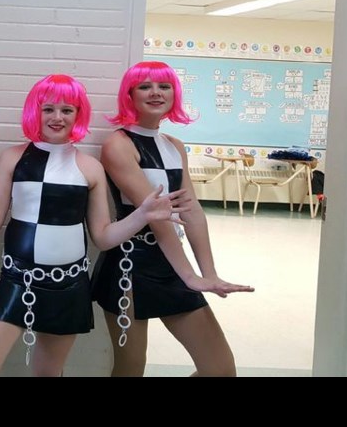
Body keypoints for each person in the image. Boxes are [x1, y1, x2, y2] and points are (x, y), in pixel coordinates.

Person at [0, 74, 186, 376]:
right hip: (17, 280)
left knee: (48, 373)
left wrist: (141, 216)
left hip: (69, 285)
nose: (57, 117)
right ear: (36, 111)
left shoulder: (90, 168)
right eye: (49, 109)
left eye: (67, 110)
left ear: (78, 115)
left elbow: (103, 236)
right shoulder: (13, 158)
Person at [90, 61, 254, 377]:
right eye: (145, 86)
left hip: (170, 264)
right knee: (130, 369)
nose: (156, 93)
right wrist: (191, 276)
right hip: (130, 265)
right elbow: (157, 217)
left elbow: (190, 210)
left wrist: (209, 274)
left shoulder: (174, 146)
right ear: (130, 95)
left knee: (219, 369)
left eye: (164, 86)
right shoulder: (118, 144)